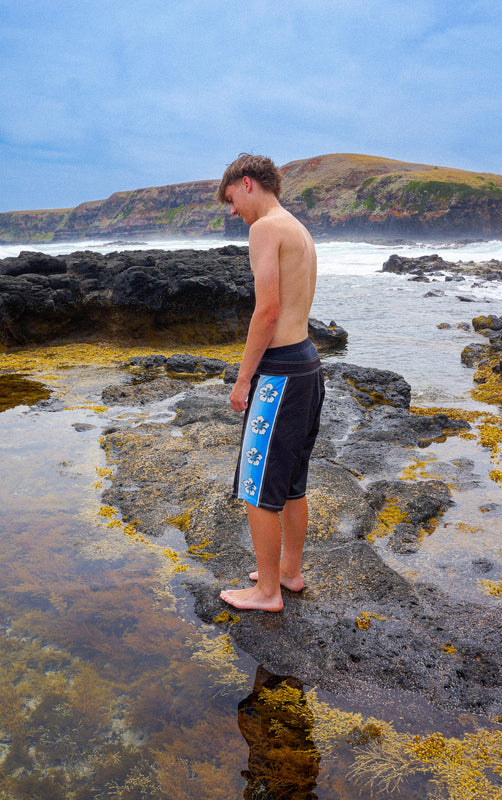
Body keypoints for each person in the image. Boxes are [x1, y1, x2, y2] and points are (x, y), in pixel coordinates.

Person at [216, 154, 324, 612]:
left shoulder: (264, 229)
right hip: (307, 364)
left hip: (279, 372)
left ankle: (267, 593)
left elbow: (267, 311)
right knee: (293, 481)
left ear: (246, 184)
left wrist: (243, 381)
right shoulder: (298, 228)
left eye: (231, 201)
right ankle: (288, 573)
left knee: (256, 486)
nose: (233, 212)